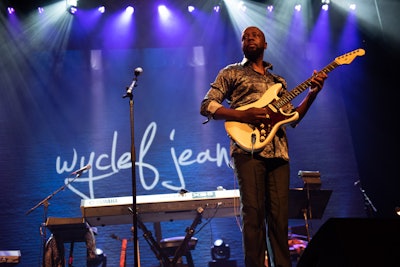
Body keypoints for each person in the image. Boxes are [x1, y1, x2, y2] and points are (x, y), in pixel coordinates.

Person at [200, 26, 327, 267]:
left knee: (279, 220)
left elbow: (294, 119)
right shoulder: (231, 72)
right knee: (253, 216)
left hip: (278, 152)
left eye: (254, 35)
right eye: (244, 37)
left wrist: (312, 94)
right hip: (247, 150)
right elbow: (208, 105)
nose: (249, 38)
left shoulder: (278, 82)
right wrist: (244, 115)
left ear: (265, 44)